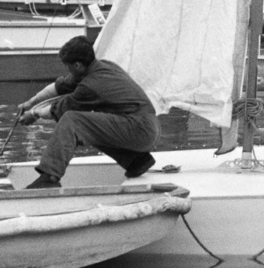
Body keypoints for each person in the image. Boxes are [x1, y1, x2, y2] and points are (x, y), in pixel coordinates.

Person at [17, 36, 158, 187]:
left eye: (68, 66)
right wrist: (30, 103)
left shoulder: (90, 85)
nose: (67, 70)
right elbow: (60, 87)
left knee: (73, 121)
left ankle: (50, 176)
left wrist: (33, 114)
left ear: (77, 65)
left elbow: (60, 109)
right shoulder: (101, 66)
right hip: (145, 126)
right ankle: (136, 160)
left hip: (140, 130)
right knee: (91, 125)